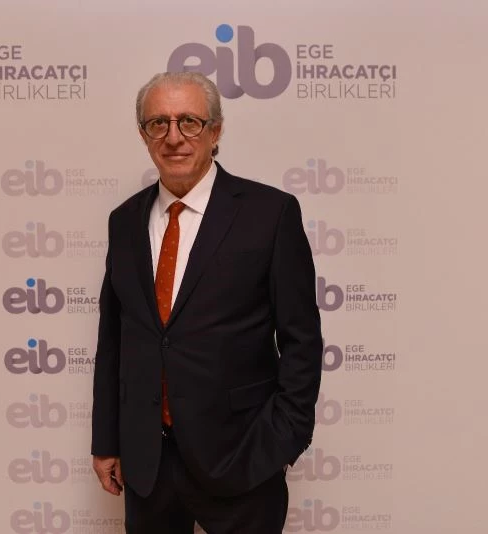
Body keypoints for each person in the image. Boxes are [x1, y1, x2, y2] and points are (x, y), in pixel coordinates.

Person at [91, 71, 323, 534]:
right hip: (148, 465)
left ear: (215, 131)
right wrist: (107, 441)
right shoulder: (124, 221)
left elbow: (302, 340)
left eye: (189, 122)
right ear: (143, 134)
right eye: (158, 123)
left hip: (242, 458)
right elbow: (114, 339)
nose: (173, 136)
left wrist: (281, 440)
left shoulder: (270, 214)